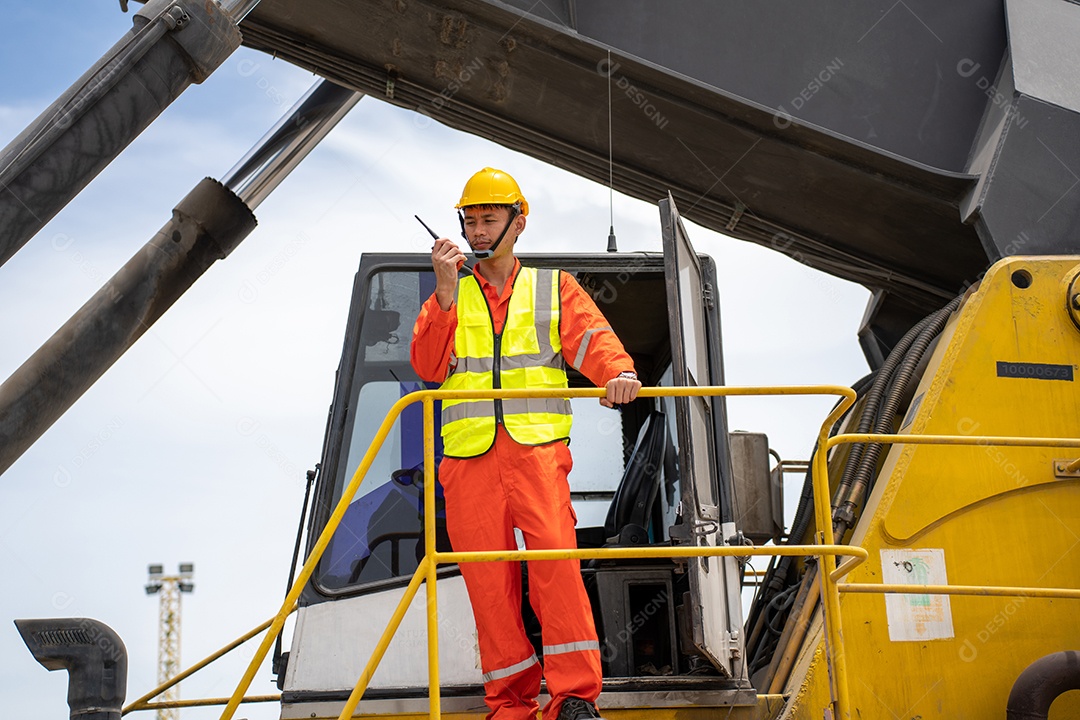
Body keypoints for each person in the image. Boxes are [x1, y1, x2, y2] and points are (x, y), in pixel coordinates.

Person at [410, 167, 641, 720]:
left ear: (519, 221)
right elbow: (426, 366)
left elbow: (594, 341)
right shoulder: (449, 296)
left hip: (535, 456)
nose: (478, 229)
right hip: (468, 465)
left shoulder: (552, 287)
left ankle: (573, 700)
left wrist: (619, 372)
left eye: (489, 218)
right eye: (470, 219)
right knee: (490, 589)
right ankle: (510, 705)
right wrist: (443, 294)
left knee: (556, 572)